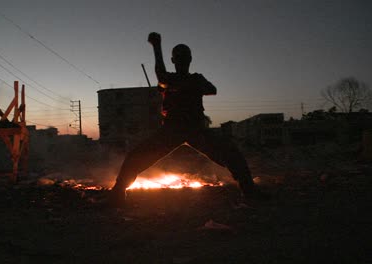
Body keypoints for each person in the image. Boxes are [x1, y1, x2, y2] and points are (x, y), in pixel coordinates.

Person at [109, 32, 263, 207]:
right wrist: (157, 47)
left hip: (195, 129)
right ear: (174, 60)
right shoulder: (172, 79)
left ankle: (250, 191)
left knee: (232, 154)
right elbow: (161, 77)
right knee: (136, 157)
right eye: (179, 58)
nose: (182, 61)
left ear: (189, 60)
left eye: (184, 57)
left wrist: (183, 83)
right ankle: (117, 194)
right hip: (172, 129)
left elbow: (212, 89)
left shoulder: (195, 78)